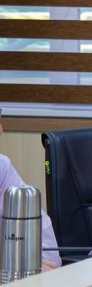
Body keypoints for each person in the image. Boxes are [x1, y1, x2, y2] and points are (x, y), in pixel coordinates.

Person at [0, 108, 60, 269]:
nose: (1, 130)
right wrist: (12, 265)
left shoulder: (1, 168)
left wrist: (30, 264)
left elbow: (49, 253)